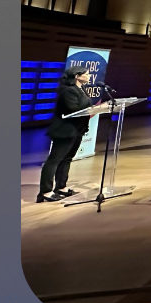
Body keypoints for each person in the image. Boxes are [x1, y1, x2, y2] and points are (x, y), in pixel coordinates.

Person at [38, 66, 103, 202]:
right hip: (65, 131)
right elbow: (73, 109)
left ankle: (61, 187)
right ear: (77, 76)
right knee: (54, 160)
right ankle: (45, 191)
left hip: (77, 130)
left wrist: (95, 108)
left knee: (67, 159)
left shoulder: (80, 89)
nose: (89, 76)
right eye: (86, 74)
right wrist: (94, 108)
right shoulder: (68, 91)